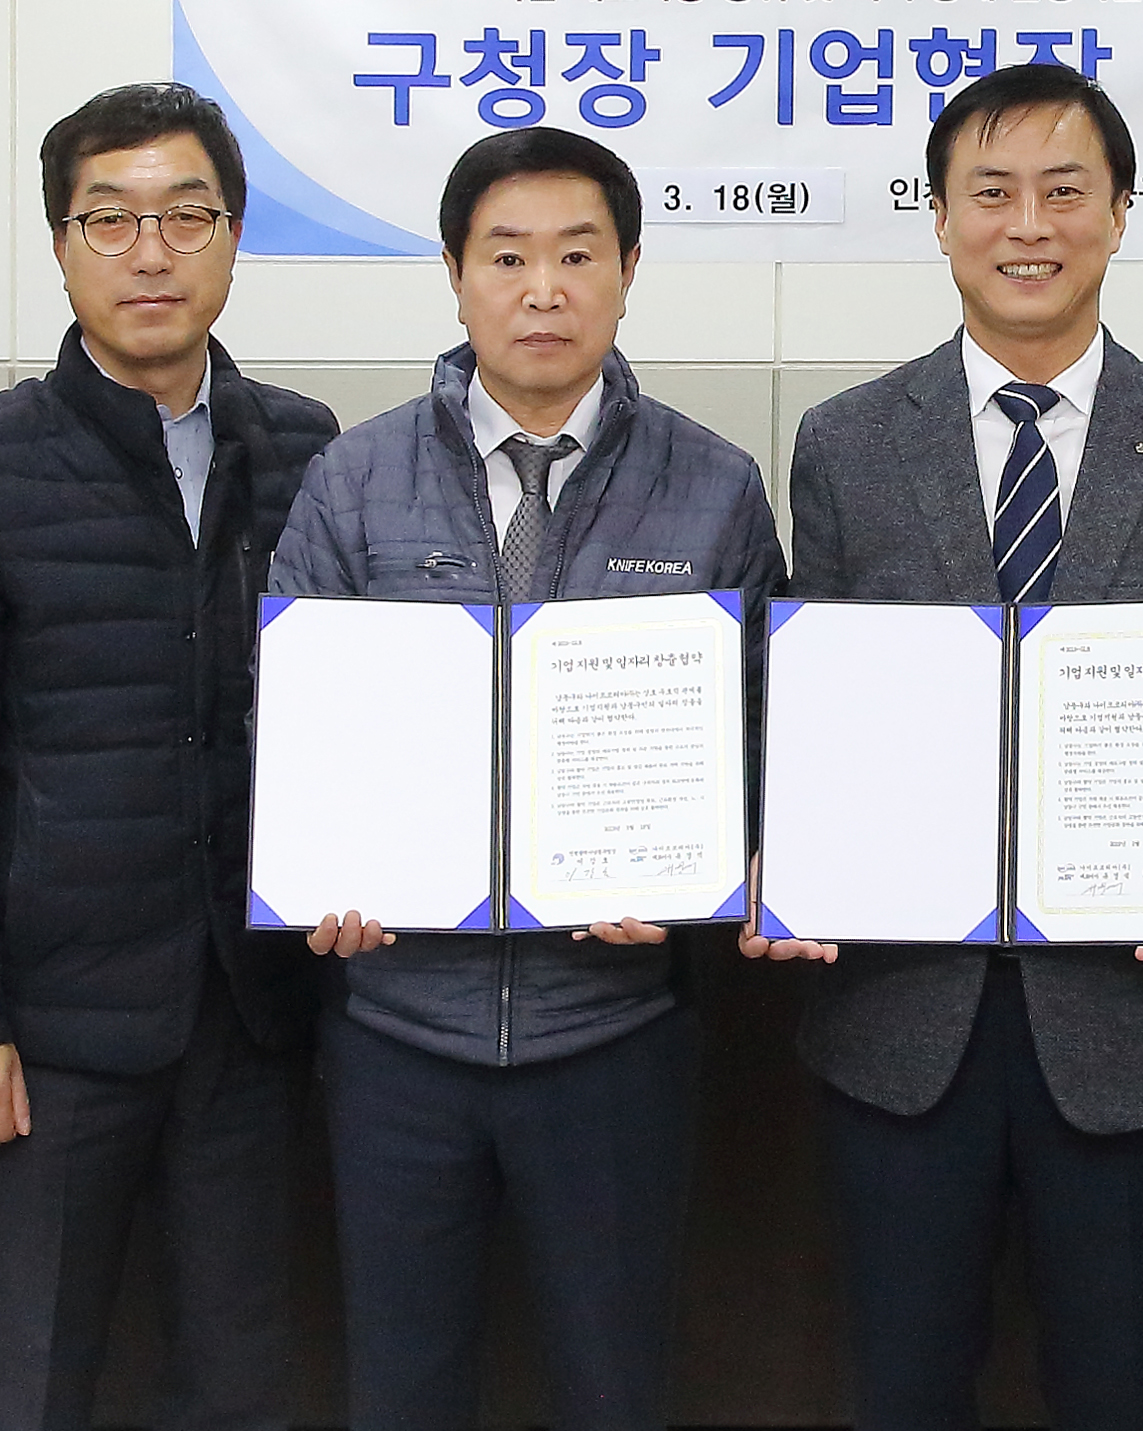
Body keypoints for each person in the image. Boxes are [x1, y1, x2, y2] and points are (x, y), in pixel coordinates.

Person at [750, 63, 1143, 1431]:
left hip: (1132, 1013)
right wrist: (789, 846)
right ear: (940, 217)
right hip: (900, 1016)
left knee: (1120, 1388)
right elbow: (815, 686)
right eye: (991, 193)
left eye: (1064, 190)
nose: (1028, 225)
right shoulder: (847, 442)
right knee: (904, 1385)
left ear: (1120, 210)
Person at [272, 125, 783, 1431]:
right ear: (454, 275)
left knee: (613, 1384)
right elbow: (296, 720)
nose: (542, 288)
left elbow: (762, 727)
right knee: (402, 1386)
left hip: (611, 1032)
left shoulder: (713, 484)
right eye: (506, 256)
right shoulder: (355, 476)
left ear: (627, 272)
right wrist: (318, 872)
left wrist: (703, 873)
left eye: (576, 254)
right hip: (397, 1027)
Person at [0, 81, 338, 1431]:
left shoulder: (305, 448)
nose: (151, 253)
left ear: (234, 236)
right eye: (110, 219)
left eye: (186, 216)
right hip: (53, 1021)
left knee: (242, 1374)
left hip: (253, 1009)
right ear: (60, 244)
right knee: (31, 1373)